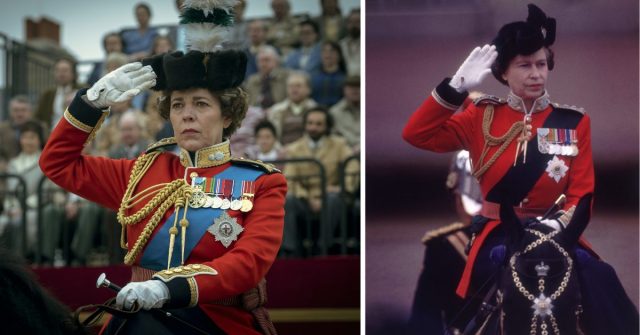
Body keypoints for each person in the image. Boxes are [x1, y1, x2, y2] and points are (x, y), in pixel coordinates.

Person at [39, 1, 286, 333]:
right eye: (178, 105)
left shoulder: (261, 183)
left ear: (227, 115)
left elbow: (248, 264)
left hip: (216, 320)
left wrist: (167, 288)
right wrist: (92, 102)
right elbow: (57, 163)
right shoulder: (141, 172)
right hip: (135, 317)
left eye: (201, 104)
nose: (186, 114)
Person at [402, 4, 638, 333]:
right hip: (500, 232)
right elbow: (416, 134)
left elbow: (582, 192)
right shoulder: (479, 116)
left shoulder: (574, 123)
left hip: (559, 234)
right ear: (503, 73)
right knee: (507, 275)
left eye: (541, 64)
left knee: (601, 277)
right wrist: (454, 88)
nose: (536, 74)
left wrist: (555, 229)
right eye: (524, 65)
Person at [281, 106, 354, 256]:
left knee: (334, 199)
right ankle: (291, 251)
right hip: (305, 199)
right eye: (310, 123)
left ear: (327, 126)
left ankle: (323, 248)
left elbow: (352, 167)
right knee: (288, 200)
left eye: (318, 124)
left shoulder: (339, 144)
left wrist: (341, 187)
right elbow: (289, 180)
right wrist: (307, 198)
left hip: (330, 195)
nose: (313, 127)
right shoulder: (295, 148)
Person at [268, 71, 318, 145]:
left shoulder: (316, 110)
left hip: (308, 153)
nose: (294, 89)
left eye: (298, 86)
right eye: (291, 86)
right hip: (282, 153)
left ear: (308, 89)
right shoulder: (276, 110)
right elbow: (271, 138)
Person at [36, 58, 81, 130]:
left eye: (65, 70)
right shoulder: (48, 94)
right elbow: (38, 117)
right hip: (52, 136)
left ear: (73, 74)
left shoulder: (81, 92)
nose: (61, 74)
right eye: (58, 70)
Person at [310, 41, 346, 106]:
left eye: (332, 51)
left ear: (339, 55)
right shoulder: (312, 78)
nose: (328, 54)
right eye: (324, 51)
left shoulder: (345, 78)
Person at [329, 75, 360, 151]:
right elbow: (331, 137)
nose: (355, 90)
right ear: (344, 90)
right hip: (343, 153)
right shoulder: (334, 113)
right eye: (351, 87)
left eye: (358, 87)